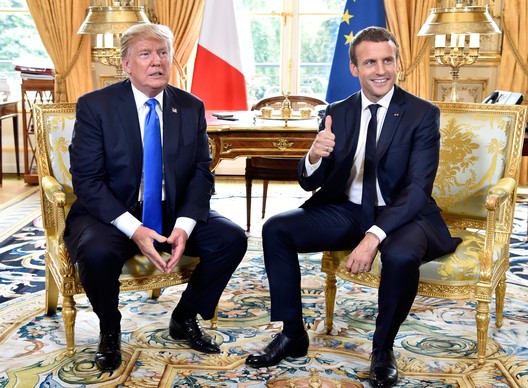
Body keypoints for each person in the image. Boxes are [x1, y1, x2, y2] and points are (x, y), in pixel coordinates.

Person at [245, 26, 461, 388]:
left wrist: (373, 236)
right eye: (371, 62)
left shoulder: (422, 114)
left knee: (401, 255)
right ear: (354, 68)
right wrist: (314, 155)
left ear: (397, 63)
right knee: (277, 229)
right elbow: (310, 181)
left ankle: (382, 350)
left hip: (404, 213)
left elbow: (418, 189)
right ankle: (292, 333)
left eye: (388, 60)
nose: (381, 70)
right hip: (348, 209)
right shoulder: (336, 112)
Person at [64, 23, 247, 372]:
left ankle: (184, 315)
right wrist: (134, 229)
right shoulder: (96, 106)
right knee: (97, 251)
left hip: (171, 209)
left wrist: (185, 224)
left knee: (231, 239)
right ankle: (110, 328)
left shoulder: (190, 106)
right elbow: (87, 180)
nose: (156, 62)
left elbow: (199, 172)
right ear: (126, 64)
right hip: (112, 210)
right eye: (145, 54)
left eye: (163, 53)